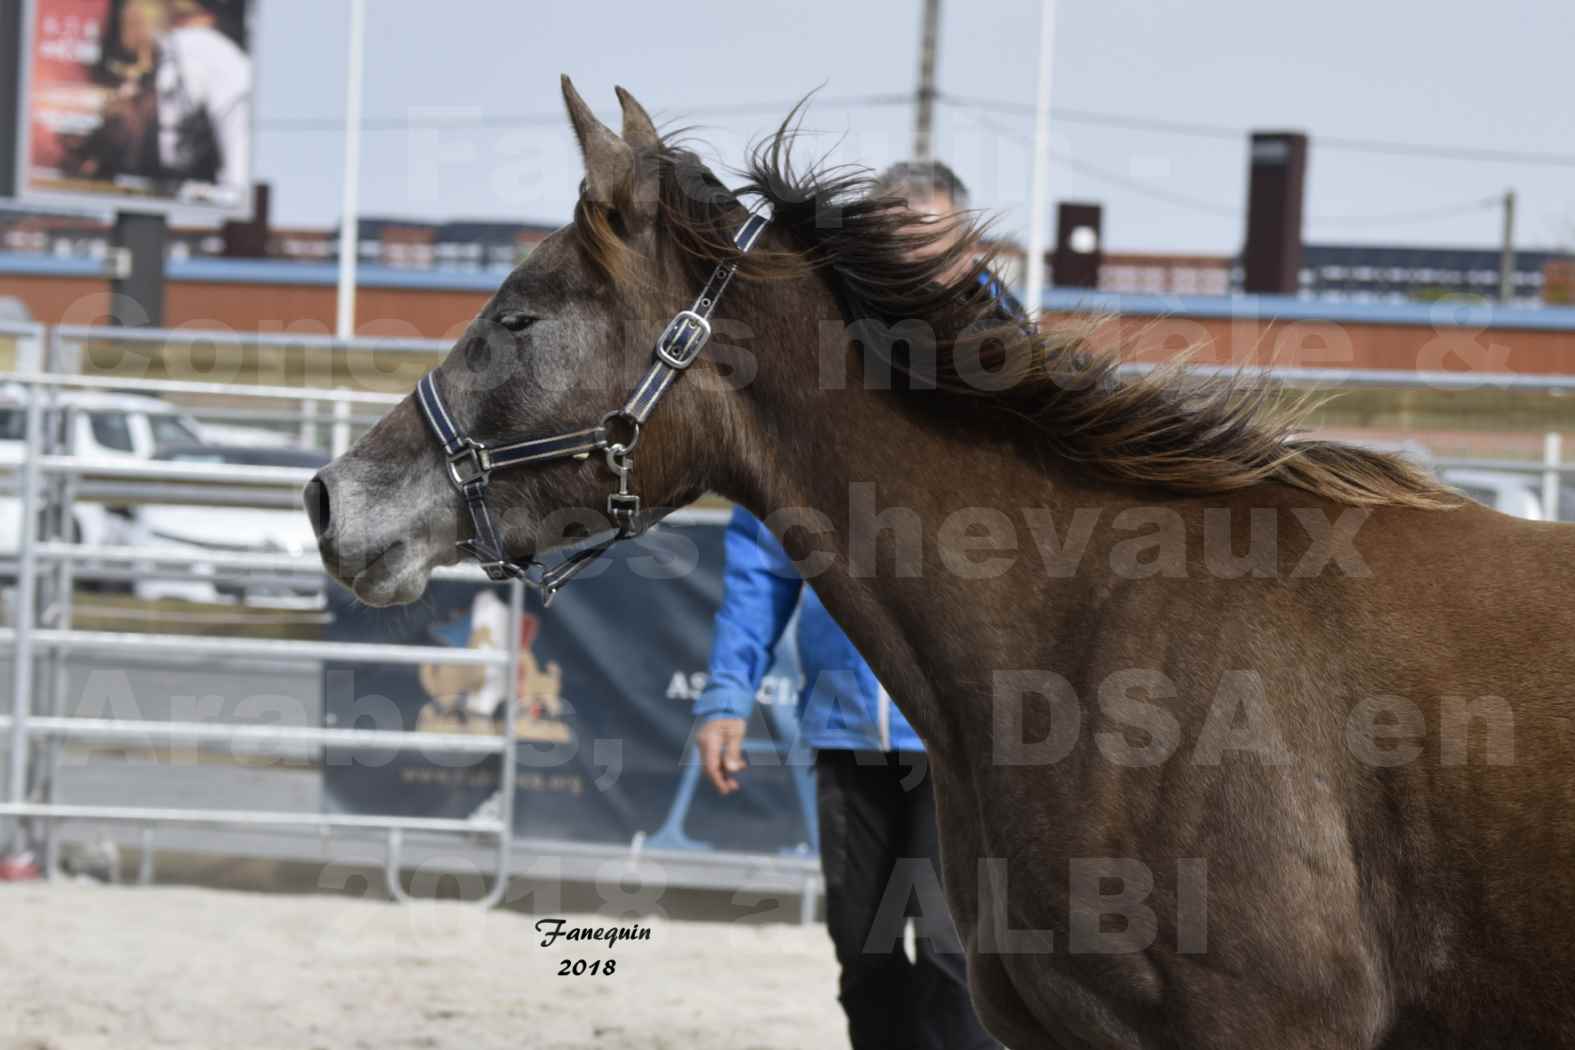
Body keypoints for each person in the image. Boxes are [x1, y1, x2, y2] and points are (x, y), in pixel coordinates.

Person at [693, 162, 1004, 1050]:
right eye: (891, 246)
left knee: (957, 954)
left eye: (927, 245)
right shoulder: (826, 378)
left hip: (965, 733)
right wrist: (724, 696)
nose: (910, 264)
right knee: (860, 949)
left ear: (967, 249)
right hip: (842, 727)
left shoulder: (1011, 374)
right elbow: (764, 556)